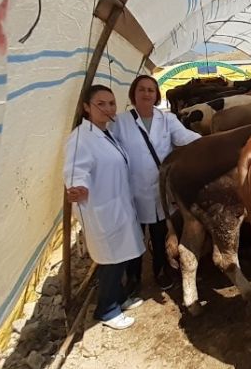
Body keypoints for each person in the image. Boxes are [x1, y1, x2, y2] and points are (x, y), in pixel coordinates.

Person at [64, 84, 145, 330]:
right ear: (87, 107)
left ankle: (119, 297)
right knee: (110, 261)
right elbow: (76, 168)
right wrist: (79, 187)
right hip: (101, 210)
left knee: (117, 258)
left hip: (116, 205)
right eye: (101, 103)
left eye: (111, 103)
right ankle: (106, 309)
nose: (108, 108)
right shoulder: (81, 138)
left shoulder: (106, 133)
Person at [112, 75, 201, 292]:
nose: (146, 94)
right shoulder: (120, 122)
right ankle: (133, 276)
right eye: (141, 89)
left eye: (151, 90)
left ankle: (160, 271)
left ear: (157, 95)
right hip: (132, 190)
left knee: (161, 233)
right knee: (134, 236)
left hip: (160, 190)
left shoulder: (167, 120)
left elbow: (186, 138)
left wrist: (212, 141)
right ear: (133, 93)